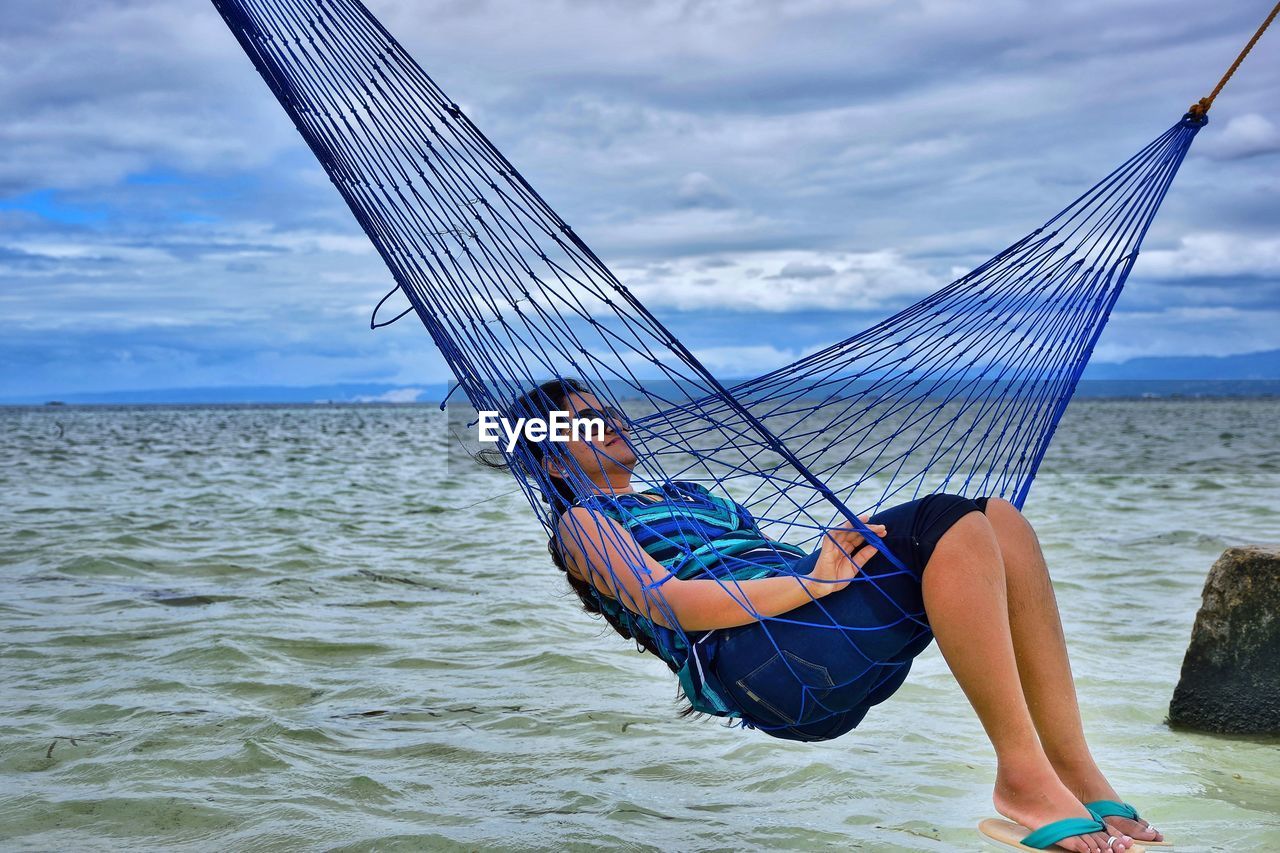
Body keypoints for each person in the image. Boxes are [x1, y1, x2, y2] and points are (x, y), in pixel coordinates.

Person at [491, 377, 1165, 853]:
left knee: (998, 519)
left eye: (607, 410)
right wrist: (816, 580)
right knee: (943, 519)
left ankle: (1073, 768)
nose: (611, 422)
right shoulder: (584, 522)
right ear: (552, 456)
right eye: (585, 421)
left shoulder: (688, 492)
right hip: (761, 663)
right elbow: (670, 601)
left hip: (818, 637)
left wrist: (823, 570)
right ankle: (1022, 774)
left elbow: (768, 561)